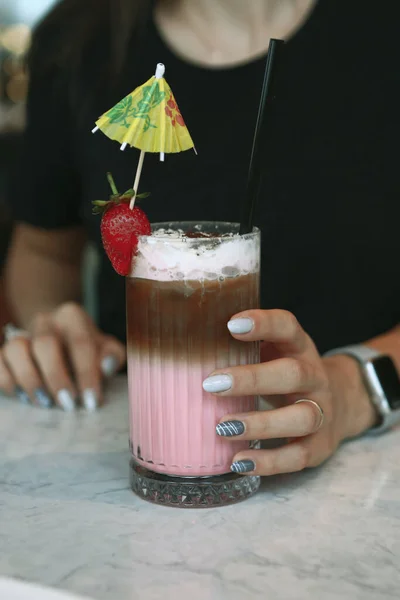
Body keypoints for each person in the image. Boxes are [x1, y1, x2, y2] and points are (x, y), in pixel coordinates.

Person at [1, 0, 399, 475]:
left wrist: (357, 386)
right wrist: (56, 331)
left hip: (366, 475)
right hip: (137, 455)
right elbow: (45, 253)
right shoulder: (77, 35)